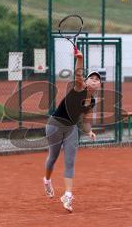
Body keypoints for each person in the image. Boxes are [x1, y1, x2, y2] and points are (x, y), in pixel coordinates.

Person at [43, 49, 101, 212]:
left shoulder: (92, 102)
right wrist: (80, 58)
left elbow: (84, 121)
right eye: (92, 78)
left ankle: (68, 196)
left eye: (97, 79)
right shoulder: (78, 87)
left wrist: (89, 131)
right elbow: (77, 74)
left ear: (99, 85)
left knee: (70, 161)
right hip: (55, 124)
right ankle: (47, 181)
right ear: (87, 81)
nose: (94, 80)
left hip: (71, 129)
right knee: (53, 158)